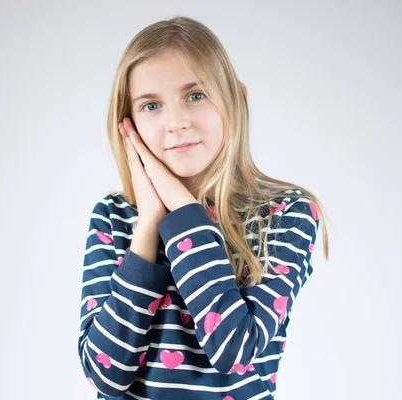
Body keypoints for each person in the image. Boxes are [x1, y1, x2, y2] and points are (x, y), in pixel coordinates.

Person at [77, 16, 330, 400]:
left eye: (196, 95)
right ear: (128, 122)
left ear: (237, 100)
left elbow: (234, 349)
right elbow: (105, 375)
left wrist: (182, 211)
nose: (176, 122)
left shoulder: (286, 214)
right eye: (151, 105)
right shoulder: (115, 218)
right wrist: (148, 226)